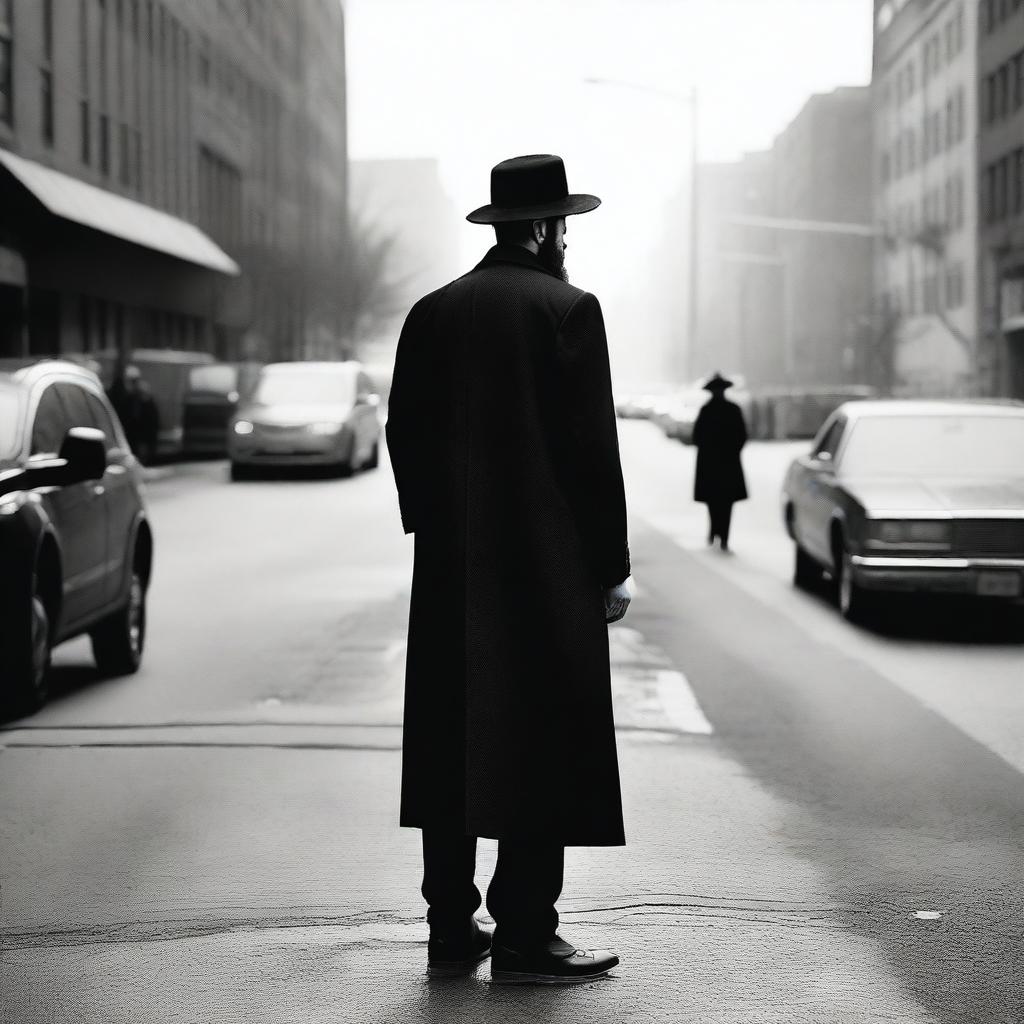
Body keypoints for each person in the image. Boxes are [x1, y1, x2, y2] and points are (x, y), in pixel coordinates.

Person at [386, 154, 632, 984]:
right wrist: (609, 566)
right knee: (541, 735)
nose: (567, 239)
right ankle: (527, 928)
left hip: (452, 570)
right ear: (542, 229)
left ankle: (451, 926)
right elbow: (591, 452)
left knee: (451, 732)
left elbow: (403, 434)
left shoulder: (431, 312)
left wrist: (435, 525)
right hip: (546, 567)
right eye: (563, 224)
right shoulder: (568, 310)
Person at [692, 372, 748, 551]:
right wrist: (732, 450)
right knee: (725, 500)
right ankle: (722, 534)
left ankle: (716, 531)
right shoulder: (732, 409)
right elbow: (742, 436)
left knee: (714, 499)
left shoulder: (706, 410)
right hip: (727, 462)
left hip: (711, 463)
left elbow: (696, 437)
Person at [107, 364, 159, 464]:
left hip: (138, 434)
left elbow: (150, 419)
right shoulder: (119, 394)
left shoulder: (143, 396)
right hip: (126, 433)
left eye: (134, 380)